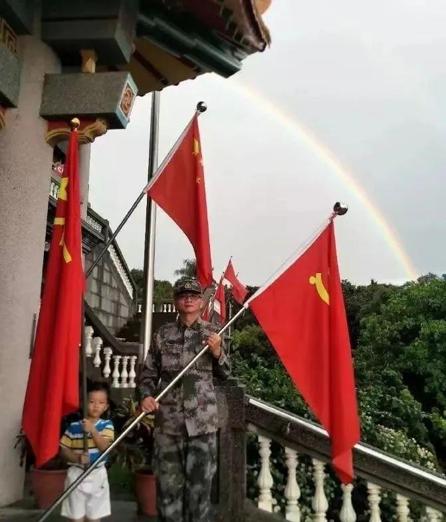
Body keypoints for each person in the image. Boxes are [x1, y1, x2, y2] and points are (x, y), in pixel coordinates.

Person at [138, 277, 231, 522]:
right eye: (182, 295)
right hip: (169, 424)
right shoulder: (162, 334)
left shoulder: (213, 334)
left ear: (201, 302)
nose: (188, 299)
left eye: (193, 295)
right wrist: (146, 396)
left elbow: (227, 372)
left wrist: (217, 352)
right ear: (175, 301)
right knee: (168, 489)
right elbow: (148, 373)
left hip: (202, 424)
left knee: (200, 492)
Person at [59, 382, 114, 522]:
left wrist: (93, 430)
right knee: (76, 517)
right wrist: (76, 458)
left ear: (106, 406)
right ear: (83, 403)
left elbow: (105, 448)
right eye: (91, 401)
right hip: (76, 474)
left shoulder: (107, 425)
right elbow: (63, 450)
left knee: (94, 517)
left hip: (97, 475)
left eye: (101, 402)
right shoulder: (73, 427)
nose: (96, 406)